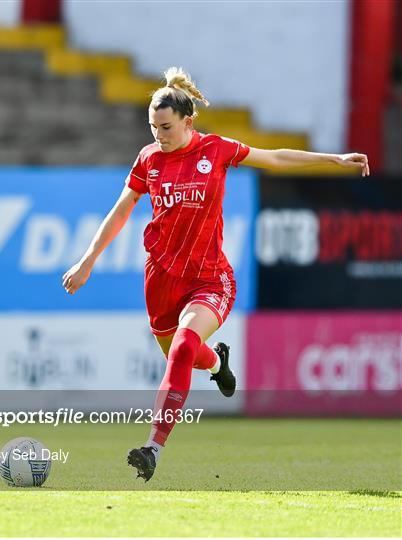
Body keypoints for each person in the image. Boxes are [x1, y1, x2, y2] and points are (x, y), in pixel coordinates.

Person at [62, 67, 370, 482]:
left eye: (166, 127)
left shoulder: (217, 150)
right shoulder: (149, 159)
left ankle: (153, 447)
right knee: (184, 352)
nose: (159, 135)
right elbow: (122, 210)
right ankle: (218, 364)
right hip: (162, 279)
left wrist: (333, 159)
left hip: (210, 278)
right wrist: (87, 261)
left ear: (188, 121)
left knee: (184, 346)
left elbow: (275, 157)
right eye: (153, 127)